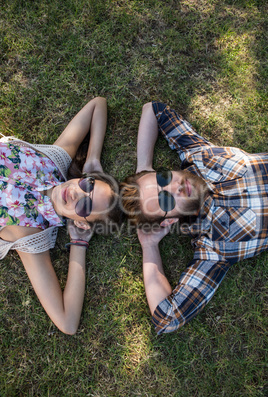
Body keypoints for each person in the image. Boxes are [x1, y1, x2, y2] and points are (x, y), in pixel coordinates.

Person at [120, 101, 268, 334]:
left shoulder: (197, 155)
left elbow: (154, 109)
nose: (175, 187)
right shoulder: (212, 250)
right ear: (168, 221)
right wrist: (149, 246)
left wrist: (144, 169)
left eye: (162, 179)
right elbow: (166, 319)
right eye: (165, 201)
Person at [0, 97, 121, 335]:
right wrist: (93, 158)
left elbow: (68, 322)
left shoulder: (30, 231)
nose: (76, 192)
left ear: (79, 222)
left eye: (85, 207)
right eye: (88, 184)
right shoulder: (54, 161)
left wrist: (79, 244)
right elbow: (98, 104)